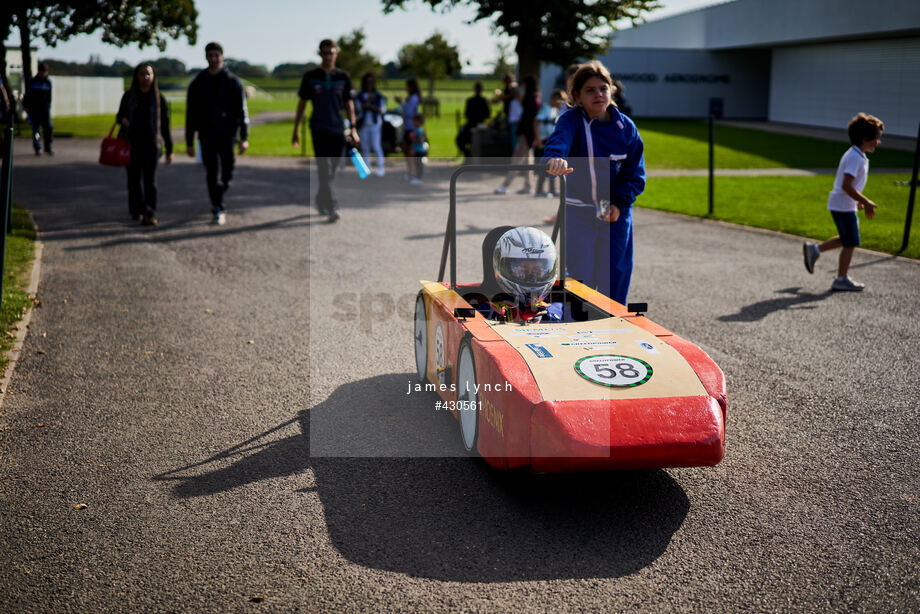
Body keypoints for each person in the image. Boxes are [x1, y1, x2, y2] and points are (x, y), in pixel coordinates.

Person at [542, 61, 646, 306]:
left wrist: (618, 204)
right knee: (580, 277)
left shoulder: (625, 128)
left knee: (614, 276)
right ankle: (577, 330)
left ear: (611, 91)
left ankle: (614, 326)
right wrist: (555, 159)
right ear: (577, 95)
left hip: (614, 211)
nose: (598, 94)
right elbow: (558, 143)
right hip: (579, 210)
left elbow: (634, 174)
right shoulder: (571, 120)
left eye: (603, 88)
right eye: (590, 90)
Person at [803, 113, 883, 291]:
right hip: (842, 205)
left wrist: (857, 201)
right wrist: (866, 201)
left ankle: (814, 250)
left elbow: (850, 186)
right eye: (876, 139)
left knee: (847, 238)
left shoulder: (857, 155)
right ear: (864, 139)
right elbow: (846, 185)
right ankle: (841, 279)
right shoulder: (855, 158)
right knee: (851, 241)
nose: (878, 143)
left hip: (843, 204)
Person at [293, 39, 358, 224]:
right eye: (325, 53)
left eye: (331, 52)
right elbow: (302, 104)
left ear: (336, 54)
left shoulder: (343, 77)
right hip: (319, 128)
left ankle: (321, 199)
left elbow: (349, 104)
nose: (328, 56)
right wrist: (296, 129)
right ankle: (332, 206)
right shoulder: (311, 76)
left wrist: (353, 128)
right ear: (320, 54)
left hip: (337, 128)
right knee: (324, 168)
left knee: (332, 170)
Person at [186, 42, 249, 225]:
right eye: (210, 56)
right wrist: (190, 142)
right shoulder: (198, 83)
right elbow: (191, 114)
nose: (213, 59)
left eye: (216, 55)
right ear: (206, 57)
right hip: (206, 135)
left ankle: (220, 191)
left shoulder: (232, 82)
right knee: (211, 172)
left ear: (222, 57)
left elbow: (242, 112)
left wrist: (244, 138)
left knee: (227, 172)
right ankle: (218, 206)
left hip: (227, 135)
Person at [117, 63, 174, 226]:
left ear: (153, 76)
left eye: (149, 74)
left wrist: (169, 149)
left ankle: (150, 211)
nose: (146, 77)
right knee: (133, 180)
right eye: (142, 74)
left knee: (150, 181)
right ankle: (136, 210)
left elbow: (165, 126)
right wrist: (124, 120)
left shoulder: (159, 99)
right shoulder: (128, 96)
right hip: (131, 144)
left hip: (152, 145)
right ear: (136, 76)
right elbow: (119, 116)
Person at [477, 226, 563, 324]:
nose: (532, 278)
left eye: (538, 270)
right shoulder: (486, 310)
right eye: (522, 270)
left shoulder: (555, 309)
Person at [494, 76, 539, 195]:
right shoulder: (535, 98)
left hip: (526, 133)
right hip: (530, 134)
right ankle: (529, 186)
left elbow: (528, 118)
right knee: (528, 160)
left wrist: (521, 132)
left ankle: (505, 185)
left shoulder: (530, 99)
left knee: (517, 159)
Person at [534, 89, 567, 198]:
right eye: (559, 101)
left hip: (551, 140)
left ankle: (552, 189)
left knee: (552, 164)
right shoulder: (546, 109)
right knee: (544, 165)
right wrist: (538, 138)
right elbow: (536, 122)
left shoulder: (554, 110)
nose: (560, 104)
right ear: (554, 99)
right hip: (544, 140)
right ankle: (539, 189)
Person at [355, 73, 386, 177]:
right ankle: (366, 168)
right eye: (367, 82)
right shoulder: (360, 95)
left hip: (375, 124)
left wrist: (372, 106)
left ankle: (381, 167)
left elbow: (382, 110)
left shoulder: (378, 96)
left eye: (371, 82)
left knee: (376, 146)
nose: (369, 84)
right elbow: (357, 108)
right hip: (363, 124)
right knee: (365, 147)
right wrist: (366, 103)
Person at [395, 78, 421, 182]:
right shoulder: (412, 98)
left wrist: (401, 103)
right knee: (407, 152)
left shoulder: (413, 98)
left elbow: (408, 112)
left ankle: (414, 175)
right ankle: (410, 173)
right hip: (407, 128)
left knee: (410, 153)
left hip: (411, 129)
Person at [456, 81, 490, 158]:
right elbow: (487, 114)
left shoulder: (471, 100)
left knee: (459, 140)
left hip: (472, 124)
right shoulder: (484, 100)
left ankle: (468, 155)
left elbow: (466, 114)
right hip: (479, 124)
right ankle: (469, 156)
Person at [25, 63, 53, 156]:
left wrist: (48, 106)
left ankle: (48, 147)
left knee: (48, 127)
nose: (43, 74)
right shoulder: (33, 82)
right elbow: (27, 95)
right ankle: (37, 147)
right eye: (42, 72)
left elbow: (49, 97)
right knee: (36, 129)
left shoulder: (48, 82)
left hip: (45, 110)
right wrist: (27, 106)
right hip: (35, 109)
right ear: (39, 71)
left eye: (45, 72)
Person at [409, 113, 428, 184]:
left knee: (419, 165)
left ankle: (418, 178)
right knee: (417, 164)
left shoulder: (419, 130)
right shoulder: (417, 129)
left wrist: (413, 139)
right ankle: (417, 176)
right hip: (417, 150)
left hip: (419, 150)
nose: (413, 123)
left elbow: (420, 140)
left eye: (414, 121)